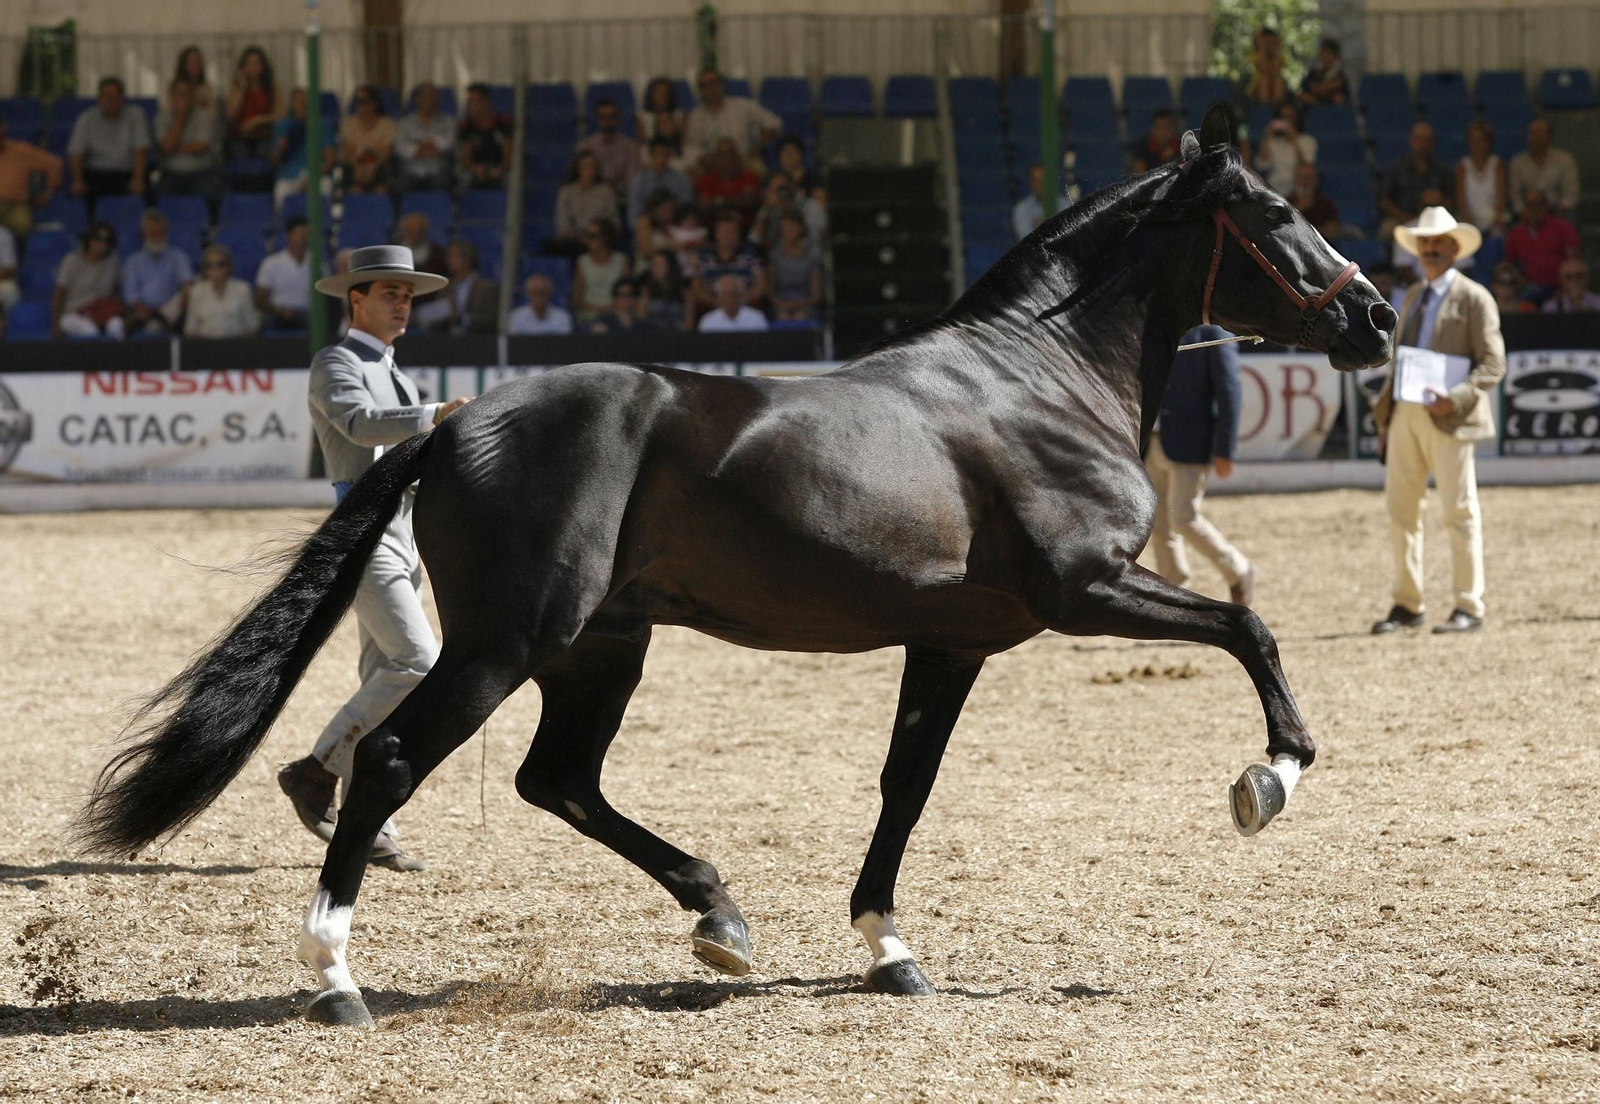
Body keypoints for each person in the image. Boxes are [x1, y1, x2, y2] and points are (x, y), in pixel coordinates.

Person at [278, 243, 470, 873]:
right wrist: (433, 416)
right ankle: (314, 771)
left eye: (408, 295)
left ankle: (371, 821)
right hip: (364, 527)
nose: (403, 304)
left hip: (402, 530)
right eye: (391, 293)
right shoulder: (334, 362)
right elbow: (360, 426)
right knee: (418, 660)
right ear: (355, 300)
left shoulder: (393, 368)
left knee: (383, 673)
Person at [1370, 207, 1503, 635]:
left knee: (1459, 513)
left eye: (1437, 243)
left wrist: (1458, 397)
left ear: (1454, 249)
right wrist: (1387, 420)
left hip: (1450, 417)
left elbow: (1493, 363)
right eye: (1424, 243)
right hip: (1408, 413)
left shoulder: (1475, 297)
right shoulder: (1411, 295)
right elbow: (1400, 363)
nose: (1429, 249)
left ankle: (1469, 604)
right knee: (1401, 512)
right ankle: (1409, 603)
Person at [1143, 325, 1255, 607]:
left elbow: (1230, 390)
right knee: (1160, 523)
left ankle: (1237, 569)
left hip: (1192, 441)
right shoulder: (1155, 325)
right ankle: (1174, 592)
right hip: (1152, 439)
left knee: (1184, 517)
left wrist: (1224, 448)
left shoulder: (1214, 333)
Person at [68, 76, 150, 212]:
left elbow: (139, 149)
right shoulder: (86, 118)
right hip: (97, 173)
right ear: (99, 98)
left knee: (146, 194)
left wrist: (137, 178)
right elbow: (75, 152)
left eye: (114, 96)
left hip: (127, 173)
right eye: (106, 96)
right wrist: (78, 180)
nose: (110, 100)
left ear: (122, 98)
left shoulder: (136, 115)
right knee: (79, 197)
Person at [683, 69, 780, 171]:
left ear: (721, 84)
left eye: (713, 83)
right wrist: (707, 161)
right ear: (700, 90)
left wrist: (758, 147)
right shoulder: (696, 116)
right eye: (704, 85)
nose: (710, 88)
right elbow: (692, 147)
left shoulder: (743, 105)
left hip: (744, 160)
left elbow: (774, 123)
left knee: (759, 169)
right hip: (711, 165)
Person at [120, 208, 192, 334]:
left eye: (161, 232)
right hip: (141, 310)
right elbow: (130, 294)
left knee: (190, 294)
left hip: (170, 312)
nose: (158, 237)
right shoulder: (132, 261)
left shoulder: (178, 256)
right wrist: (143, 310)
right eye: (153, 233)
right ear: (144, 234)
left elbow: (188, 284)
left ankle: (160, 321)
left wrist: (181, 303)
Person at [1378, 122, 1452, 241]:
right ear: (1412, 141)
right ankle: (1391, 260)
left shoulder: (1441, 169)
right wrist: (1404, 217)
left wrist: (1440, 201)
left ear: (1433, 143)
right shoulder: (1397, 168)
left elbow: (1451, 199)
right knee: (1388, 229)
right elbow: (1384, 201)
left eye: (1427, 140)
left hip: (1435, 220)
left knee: (1455, 228)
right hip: (1402, 218)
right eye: (1420, 140)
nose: (1423, 144)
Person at [1503, 188, 1580, 301]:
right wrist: (1519, 280)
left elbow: (1573, 261)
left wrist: (1565, 286)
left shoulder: (1563, 227)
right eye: (1529, 205)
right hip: (1530, 287)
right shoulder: (1515, 234)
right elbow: (1509, 264)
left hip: (1560, 286)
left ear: (1546, 206)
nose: (1534, 210)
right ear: (1524, 208)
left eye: (1538, 204)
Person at [52, 221, 123, 339]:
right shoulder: (71, 260)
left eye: (107, 240)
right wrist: (56, 324)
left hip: (101, 313)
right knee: (90, 331)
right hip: (74, 313)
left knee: (117, 325)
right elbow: (59, 293)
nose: (102, 244)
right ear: (88, 239)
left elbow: (116, 290)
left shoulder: (112, 262)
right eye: (98, 239)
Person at [154, 76, 220, 201]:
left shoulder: (204, 116)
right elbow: (166, 147)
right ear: (171, 96)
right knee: (160, 197)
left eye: (186, 94)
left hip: (201, 173)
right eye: (179, 94)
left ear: (193, 97)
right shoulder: (162, 117)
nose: (182, 98)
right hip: (171, 174)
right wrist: (180, 117)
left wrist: (175, 148)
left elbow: (201, 146)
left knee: (210, 194)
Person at [272, 87, 336, 213]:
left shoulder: (323, 125)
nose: (303, 105)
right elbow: (275, 160)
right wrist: (281, 149)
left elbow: (329, 160)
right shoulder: (283, 126)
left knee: (325, 188)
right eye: (299, 102)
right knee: (282, 192)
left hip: (317, 174)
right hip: (289, 176)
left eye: (306, 101)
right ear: (292, 104)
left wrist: (313, 176)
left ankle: (323, 228)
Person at [0, 114, 63, 238]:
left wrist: (48, 192)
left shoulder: (21, 150)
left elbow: (55, 164)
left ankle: (20, 258)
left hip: (16, 206)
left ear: (3, 129)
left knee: (23, 225)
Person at [182, 244, 259, 338]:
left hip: (237, 344)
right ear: (205, 270)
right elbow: (190, 330)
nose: (215, 270)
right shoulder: (196, 291)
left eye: (220, 265)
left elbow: (252, 327)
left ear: (229, 266)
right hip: (206, 346)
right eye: (209, 265)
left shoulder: (243, 289)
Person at [1507, 118, 1579, 218]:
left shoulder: (1565, 160)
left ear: (1550, 136)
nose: (1536, 137)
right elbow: (1514, 195)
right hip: (1527, 213)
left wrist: (1559, 212)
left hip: (1557, 211)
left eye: (1540, 133)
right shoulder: (1517, 162)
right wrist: (1523, 212)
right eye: (1532, 133)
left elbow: (1570, 193)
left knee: (1570, 218)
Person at [694, 209, 762, 315]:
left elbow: (761, 285)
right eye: (723, 231)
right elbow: (696, 288)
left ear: (739, 234)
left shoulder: (750, 254)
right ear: (716, 233)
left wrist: (739, 302)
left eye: (732, 231)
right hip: (712, 309)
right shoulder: (704, 256)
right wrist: (716, 302)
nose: (728, 235)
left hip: (744, 309)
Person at [256, 217, 316, 330]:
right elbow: (260, 297)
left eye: (306, 234)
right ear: (288, 235)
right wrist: (278, 311)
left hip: (308, 314)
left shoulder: (317, 263)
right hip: (278, 314)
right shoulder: (271, 263)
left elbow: (326, 295)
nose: (303, 238)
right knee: (266, 322)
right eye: (299, 234)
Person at [395, 82, 456, 193]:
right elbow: (401, 148)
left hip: (438, 170)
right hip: (411, 171)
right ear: (418, 99)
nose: (430, 100)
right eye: (426, 96)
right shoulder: (405, 123)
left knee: (442, 182)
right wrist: (432, 147)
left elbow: (448, 145)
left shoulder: (448, 122)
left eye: (433, 96)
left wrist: (417, 146)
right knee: (400, 184)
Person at [554, 150, 619, 252]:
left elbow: (615, 224)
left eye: (592, 166)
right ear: (577, 168)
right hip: (574, 244)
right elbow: (563, 228)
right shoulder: (566, 192)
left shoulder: (606, 192)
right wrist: (581, 238)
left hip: (601, 242)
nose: (589, 170)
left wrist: (597, 237)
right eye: (585, 166)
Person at [397, 212, 451, 329]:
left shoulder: (438, 253)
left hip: (430, 307)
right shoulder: (394, 253)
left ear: (424, 232)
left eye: (418, 231)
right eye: (409, 230)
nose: (413, 234)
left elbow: (447, 280)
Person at [576, 98, 639, 197]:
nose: (608, 121)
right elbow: (583, 180)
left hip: (623, 200)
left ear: (618, 118)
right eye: (603, 117)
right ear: (597, 119)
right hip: (593, 199)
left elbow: (632, 180)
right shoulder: (585, 146)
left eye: (612, 116)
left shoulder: (630, 146)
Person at [340, 84, 396, 194]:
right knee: (350, 182)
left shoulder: (388, 124)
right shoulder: (348, 124)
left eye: (363, 101)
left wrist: (371, 167)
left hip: (379, 167)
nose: (359, 105)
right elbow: (348, 153)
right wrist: (358, 167)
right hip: (354, 167)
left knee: (383, 179)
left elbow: (386, 153)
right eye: (358, 101)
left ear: (374, 103)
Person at [694, 137, 763, 228]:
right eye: (722, 155)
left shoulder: (750, 177)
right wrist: (732, 206)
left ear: (737, 157)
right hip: (713, 231)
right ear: (715, 159)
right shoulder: (705, 181)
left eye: (730, 155)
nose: (726, 159)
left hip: (745, 230)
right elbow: (704, 206)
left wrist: (717, 201)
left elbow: (749, 202)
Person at [766, 209, 821, 321]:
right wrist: (782, 304)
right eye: (784, 227)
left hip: (805, 305)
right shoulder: (774, 256)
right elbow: (770, 293)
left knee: (800, 317)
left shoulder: (811, 257)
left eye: (791, 226)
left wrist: (797, 304)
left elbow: (816, 295)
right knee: (783, 317)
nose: (788, 231)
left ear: (800, 228)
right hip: (781, 305)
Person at [225, 46, 280, 159]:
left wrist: (258, 120)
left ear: (263, 66)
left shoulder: (272, 87)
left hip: (264, 135)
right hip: (240, 137)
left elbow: (280, 114)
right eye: (249, 63)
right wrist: (242, 89)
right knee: (239, 153)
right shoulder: (236, 87)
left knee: (264, 151)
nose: (253, 67)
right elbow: (230, 114)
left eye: (256, 63)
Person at [1455, 121, 1507, 236]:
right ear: (1468, 143)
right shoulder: (1462, 166)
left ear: (1489, 142)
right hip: (1469, 218)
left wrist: (1495, 220)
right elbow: (1461, 202)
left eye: (1481, 140)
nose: (1477, 144)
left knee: (1498, 232)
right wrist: (1468, 222)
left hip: (1493, 219)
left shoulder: (1497, 164)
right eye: (1473, 140)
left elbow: (1501, 198)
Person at [572, 219, 627, 326]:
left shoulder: (622, 260)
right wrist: (599, 309)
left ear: (605, 237)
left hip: (617, 312)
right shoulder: (582, 262)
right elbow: (576, 300)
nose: (587, 240)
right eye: (586, 235)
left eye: (592, 236)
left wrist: (613, 308)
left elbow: (627, 292)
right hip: (590, 315)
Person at [628, 138, 693, 227]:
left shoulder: (680, 179)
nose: (662, 159)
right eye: (658, 154)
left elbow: (686, 209)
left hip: (675, 228)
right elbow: (634, 216)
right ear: (650, 155)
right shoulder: (639, 181)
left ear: (670, 156)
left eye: (666, 155)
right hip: (648, 231)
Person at [1254, 101, 1316, 195]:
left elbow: (1306, 167)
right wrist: (1267, 139)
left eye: (1290, 117)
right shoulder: (1272, 142)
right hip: (1274, 186)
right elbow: (1261, 165)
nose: (1287, 121)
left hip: (1297, 188)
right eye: (1284, 117)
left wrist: (1294, 141)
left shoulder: (1308, 140)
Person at [458, 82, 511, 190]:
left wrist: (500, 170)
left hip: (498, 168)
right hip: (476, 169)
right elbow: (466, 158)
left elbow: (508, 155)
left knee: (508, 181)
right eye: (469, 102)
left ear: (485, 101)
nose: (470, 105)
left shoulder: (502, 123)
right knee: (464, 179)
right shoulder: (466, 127)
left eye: (474, 101)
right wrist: (475, 169)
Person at [442, 238, 499, 335]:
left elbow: (492, 320)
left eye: (453, 256)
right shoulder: (445, 286)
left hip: (477, 342)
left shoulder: (487, 288)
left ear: (467, 259)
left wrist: (462, 320)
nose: (448, 260)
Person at [1011, 164, 1070, 241]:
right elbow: (1027, 239)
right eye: (1036, 180)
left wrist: (1040, 228)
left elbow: (1069, 234)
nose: (1040, 184)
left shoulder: (1065, 204)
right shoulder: (1022, 209)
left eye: (1043, 180)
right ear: (1030, 182)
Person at [697, 273, 768, 332]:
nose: (730, 298)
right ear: (719, 298)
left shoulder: (756, 318)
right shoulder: (708, 321)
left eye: (734, 293)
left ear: (741, 295)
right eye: (726, 294)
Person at [507, 272, 573, 334]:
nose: (539, 297)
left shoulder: (562, 317)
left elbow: (564, 345)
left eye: (543, 293)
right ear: (527, 294)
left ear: (550, 294)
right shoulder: (516, 317)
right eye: (534, 293)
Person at [638, 250, 688, 330]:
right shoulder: (647, 290)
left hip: (679, 337)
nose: (656, 268)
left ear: (671, 266)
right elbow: (641, 318)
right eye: (653, 265)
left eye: (660, 265)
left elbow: (688, 323)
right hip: (652, 336)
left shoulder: (684, 290)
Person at [1288, 163, 1340, 241]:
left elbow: (1333, 232)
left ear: (1316, 180)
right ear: (1295, 179)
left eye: (1309, 177)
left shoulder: (1326, 205)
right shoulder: (1284, 203)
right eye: (1301, 176)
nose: (1305, 180)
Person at [633, 187, 679, 268]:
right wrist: (669, 248)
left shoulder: (673, 225)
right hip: (648, 269)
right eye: (665, 209)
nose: (669, 213)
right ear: (655, 209)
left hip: (670, 270)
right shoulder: (644, 222)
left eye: (671, 209)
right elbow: (646, 251)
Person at [639, 76, 686, 152]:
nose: (662, 96)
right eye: (658, 92)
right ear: (651, 95)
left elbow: (683, 142)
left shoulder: (680, 115)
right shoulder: (643, 117)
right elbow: (643, 144)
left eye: (665, 92)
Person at [1298, 38, 1349, 106]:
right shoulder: (1314, 72)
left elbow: (1340, 86)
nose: (1325, 56)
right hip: (1315, 103)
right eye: (1323, 52)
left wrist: (1324, 89)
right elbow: (1308, 86)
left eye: (1328, 53)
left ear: (1335, 55)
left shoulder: (1342, 73)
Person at [1244, 27, 1288, 107]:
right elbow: (1264, 70)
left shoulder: (1280, 57)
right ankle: (1265, 107)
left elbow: (1275, 72)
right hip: (1257, 90)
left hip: (1274, 89)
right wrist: (1262, 49)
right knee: (1263, 80)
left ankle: (1276, 107)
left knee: (1278, 80)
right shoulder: (1255, 56)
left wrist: (1275, 50)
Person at [1130, 110, 1181, 175]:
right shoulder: (1142, 148)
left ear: (1173, 128)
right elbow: (1140, 175)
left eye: (1167, 127)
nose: (1163, 131)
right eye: (1159, 127)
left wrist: (1174, 158)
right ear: (1153, 128)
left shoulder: (1182, 145)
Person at [173, 45, 216, 112]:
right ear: (184, 64)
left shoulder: (207, 90)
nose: (195, 64)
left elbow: (212, 113)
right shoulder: (175, 89)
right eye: (191, 61)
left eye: (197, 61)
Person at [0, 224, 19, 314]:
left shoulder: (3, 234)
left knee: (10, 290)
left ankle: (9, 323)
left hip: (0, 281)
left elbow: (7, 268)